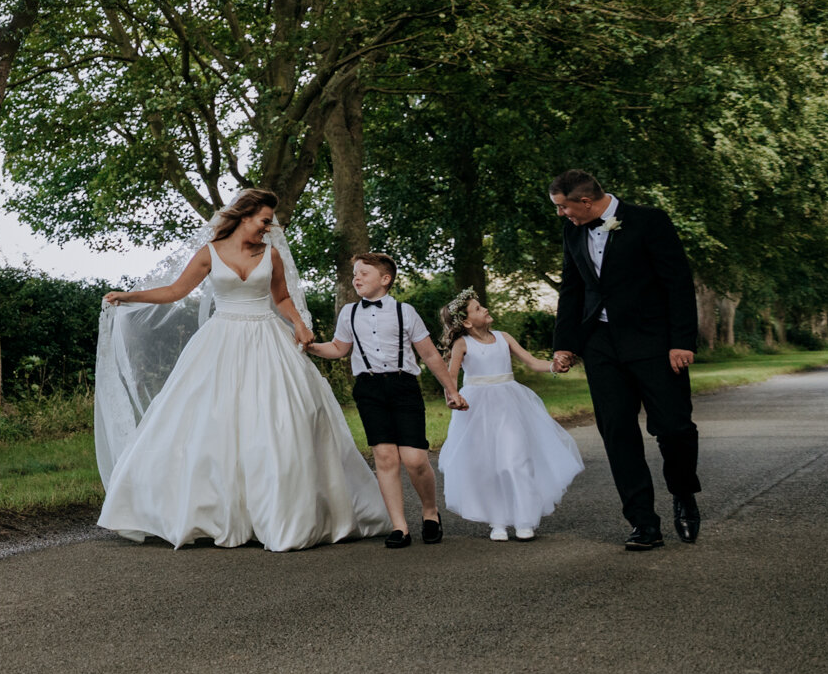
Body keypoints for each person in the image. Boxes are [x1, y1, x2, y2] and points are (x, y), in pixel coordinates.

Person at [94, 189, 389, 551]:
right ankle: (209, 512)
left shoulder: (272, 255)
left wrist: (298, 323)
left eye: (270, 222)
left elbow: (281, 298)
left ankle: (280, 513)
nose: (269, 227)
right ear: (245, 215)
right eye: (264, 220)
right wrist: (129, 297)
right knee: (209, 420)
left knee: (285, 418)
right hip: (220, 341)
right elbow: (175, 291)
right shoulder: (210, 253)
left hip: (267, 338)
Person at [545, 170, 702, 550]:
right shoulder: (572, 231)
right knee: (617, 432)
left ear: (585, 201)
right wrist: (564, 344)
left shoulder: (650, 220)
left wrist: (681, 341)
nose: (561, 215)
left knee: (674, 429)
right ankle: (643, 523)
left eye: (563, 207)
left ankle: (683, 493)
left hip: (655, 343)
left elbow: (677, 282)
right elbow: (572, 287)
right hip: (601, 346)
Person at [305, 253, 467, 547]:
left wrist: (452, 390)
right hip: (368, 389)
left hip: (404, 386)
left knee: (415, 459)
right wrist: (310, 347)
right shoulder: (349, 313)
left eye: (363, 273)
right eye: (354, 273)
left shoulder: (406, 312)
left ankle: (430, 512)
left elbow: (429, 354)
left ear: (385, 279)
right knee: (385, 457)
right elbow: (339, 348)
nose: (356, 278)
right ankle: (399, 526)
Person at [434, 289, 583, 541]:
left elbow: (532, 362)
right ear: (467, 322)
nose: (485, 309)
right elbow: (451, 378)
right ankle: (498, 521)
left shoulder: (504, 337)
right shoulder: (463, 344)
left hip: (509, 404)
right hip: (477, 409)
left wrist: (552, 366)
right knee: (488, 465)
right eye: (478, 309)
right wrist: (453, 397)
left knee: (516, 460)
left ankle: (524, 519)